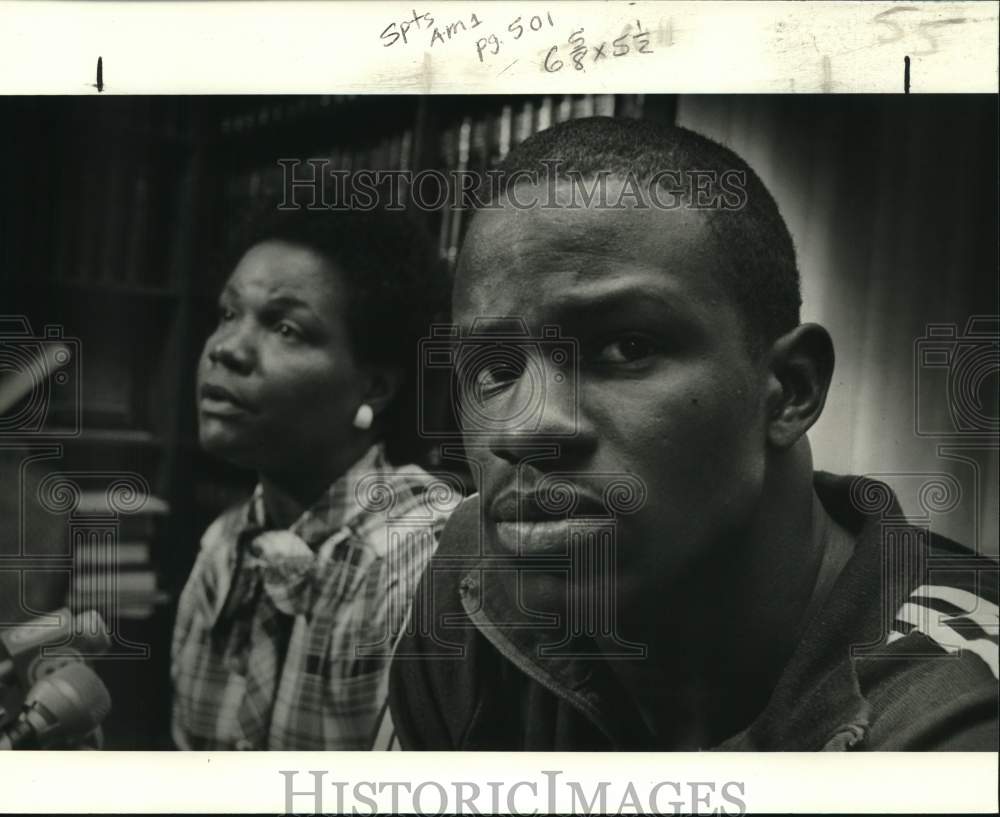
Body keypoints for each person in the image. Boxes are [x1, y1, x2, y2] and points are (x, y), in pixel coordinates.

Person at [383, 116, 999, 751]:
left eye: (625, 347)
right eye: (495, 369)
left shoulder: (956, 715)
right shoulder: (474, 570)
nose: (523, 429)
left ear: (790, 389)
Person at [171, 206, 456, 749]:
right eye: (228, 313)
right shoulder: (222, 549)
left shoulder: (418, 565)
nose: (225, 348)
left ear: (374, 387)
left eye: (285, 327)